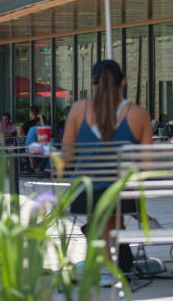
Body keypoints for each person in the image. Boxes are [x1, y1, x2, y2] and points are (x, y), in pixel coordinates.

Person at [62, 60, 152, 278]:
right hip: (125, 196)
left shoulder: (78, 110)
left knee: (103, 203)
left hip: (86, 196)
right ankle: (115, 260)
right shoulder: (139, 114)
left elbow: (68, 157)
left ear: (94, 85)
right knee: (113, 203)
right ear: (123, 82)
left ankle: (107, 263)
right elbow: (148, 165)